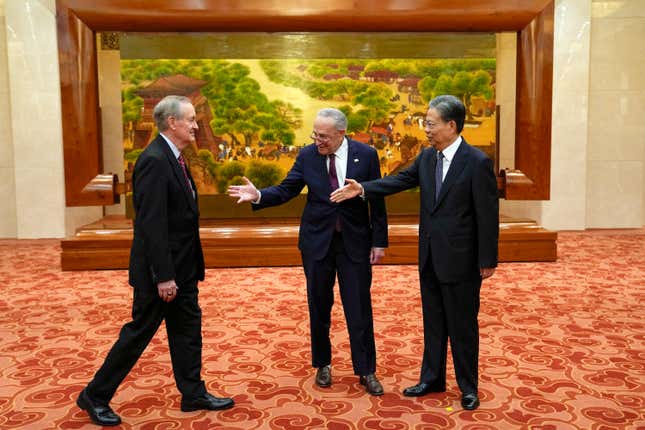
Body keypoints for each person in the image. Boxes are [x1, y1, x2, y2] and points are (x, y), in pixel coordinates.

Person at [330, 95, 499, 410]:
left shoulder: (476, 162)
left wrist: (487, 259)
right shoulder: (426, 158)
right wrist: (363, 188)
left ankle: (468, 387)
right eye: (426, 123)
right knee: (433, 322)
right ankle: (431, 378)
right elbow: (397, 181)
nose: (426, 129)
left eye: (431, 123)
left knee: (462, 326)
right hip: (430, 257)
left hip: (462, 260)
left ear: (451, 125)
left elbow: (487, 215)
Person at [76, 95, 234, 426]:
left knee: (188, 331)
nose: (196, 124)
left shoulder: (174, 157)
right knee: (138, 333)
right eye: (190, 119)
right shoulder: (154, 159)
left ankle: (193, 393)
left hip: (184, 268)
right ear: (171, 123)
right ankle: (95, 395)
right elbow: (151, 224)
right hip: (160, 273)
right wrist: (164, 276)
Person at [227, 108, 388, 396]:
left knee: (359, 307)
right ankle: (322, 364)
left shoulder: (366, 155)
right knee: (319, 305)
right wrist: (259, 195)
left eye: (323, 136)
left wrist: (379, 241)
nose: (317, 140)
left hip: (354, 242)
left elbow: (376, 198)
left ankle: (366, 370)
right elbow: (288, 189)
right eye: (315, 134)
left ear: (341, 133)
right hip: (317, 243)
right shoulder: (307, 155)